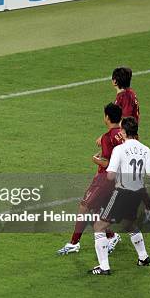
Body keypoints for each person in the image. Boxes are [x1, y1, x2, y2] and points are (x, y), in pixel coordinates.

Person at [89, 117, 150, 275]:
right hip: (137, 194)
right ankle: (143, 257)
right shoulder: (146, 149)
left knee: (99, 226)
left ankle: (104, 267)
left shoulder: (119, 150)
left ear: (124, 132)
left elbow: (111, 176)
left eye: (121, 130)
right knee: (129, 224)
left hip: (121, 192)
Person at [57, 104, 123, 255]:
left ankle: (74, 243)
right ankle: (111, 236)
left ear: (107, 117)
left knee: (84, 207)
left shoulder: (108, 137)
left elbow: (107, 164)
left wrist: (96, 160)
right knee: (94, 209)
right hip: (121, 179)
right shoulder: (123, 133)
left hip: (105, 180)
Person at [100, 66, 150, 222]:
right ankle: (147, 206)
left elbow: (123, 121)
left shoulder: (123, 98)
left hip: (126, 140)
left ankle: (116, 208)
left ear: (115, 81)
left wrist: (109, 137)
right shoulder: (130, 93)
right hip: (129, 137)